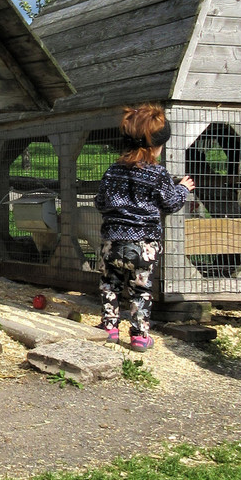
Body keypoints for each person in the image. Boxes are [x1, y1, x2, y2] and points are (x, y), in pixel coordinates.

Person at [95, 104, 195, 351]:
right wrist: (183, 188)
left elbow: (99, 202)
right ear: (156, 146)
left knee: (110, 285)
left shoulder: (112, 171)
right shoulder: (157, 173)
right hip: (144, 246)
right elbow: (170, 204)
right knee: (140, 289)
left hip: (113, 243)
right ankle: (139, 336)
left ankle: (109, 329)